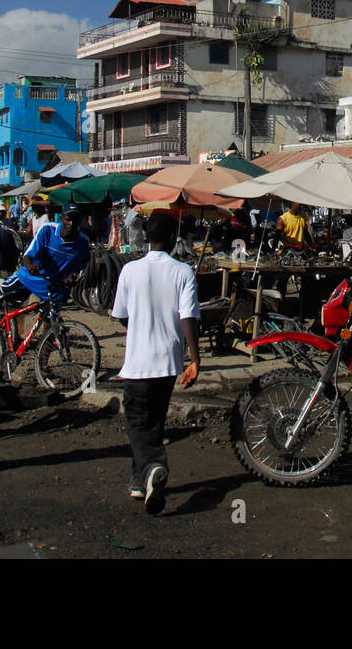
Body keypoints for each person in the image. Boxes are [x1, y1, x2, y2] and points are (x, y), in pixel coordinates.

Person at [110, 212, 201, 515]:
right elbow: (187, 316)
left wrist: (139, 325)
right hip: (169, 361)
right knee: (154, 420)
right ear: (175, 238)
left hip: (138, 361)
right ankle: (140, 483)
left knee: (137, 423)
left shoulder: (130, 271)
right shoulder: (183, 271)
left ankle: (154, 466)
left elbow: (121, 314)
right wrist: (195, 358)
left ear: (145, 237)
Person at [0, 204, 92, 316]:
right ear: (61, 218)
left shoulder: (83, 242)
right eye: (68, 219)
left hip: (54, 285)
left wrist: (74, 275)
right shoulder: (48, 230)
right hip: (31, 277)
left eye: (75, 220)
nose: (71, 224)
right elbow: (28, 255)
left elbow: (83, 264)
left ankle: (50, 332)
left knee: (51, 319)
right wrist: (30, 266)